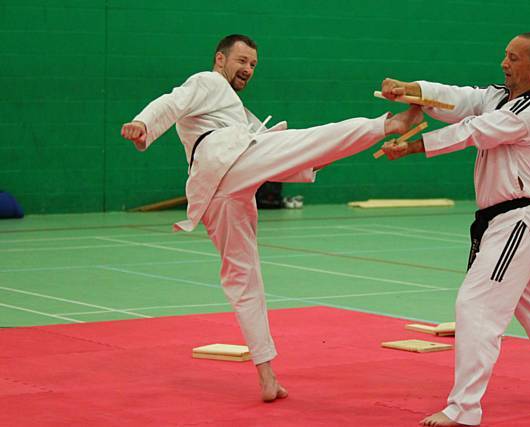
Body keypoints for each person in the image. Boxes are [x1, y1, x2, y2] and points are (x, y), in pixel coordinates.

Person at [121, 34, 422, 403]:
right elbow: (173, 101)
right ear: (220, 59)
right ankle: (388, 125)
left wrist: (315, 160)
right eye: (242, 61)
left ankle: (266, 375)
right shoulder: (208, 81)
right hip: (227, 162)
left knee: (244, 279)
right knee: (304, 140)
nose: (247, 69)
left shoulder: (236, 112)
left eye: (253, 65)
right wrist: (143, 124)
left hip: (220, 190)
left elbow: (287, 158)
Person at [380, 33, 530, 426]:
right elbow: (459, 100)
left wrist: (413, 147)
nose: (504, 63)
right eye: (504, 55)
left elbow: (474, 131)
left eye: (513, 58)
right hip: (506, 223)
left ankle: (464, 409)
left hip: (516, 222)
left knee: (475, 306)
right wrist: (409, 90)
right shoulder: (498, 96)